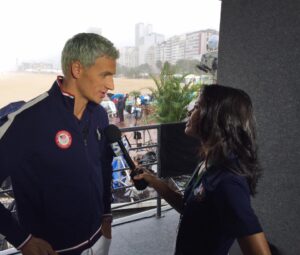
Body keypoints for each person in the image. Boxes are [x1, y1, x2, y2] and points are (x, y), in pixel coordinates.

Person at [0, 33, 119, 255]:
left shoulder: (100, 116)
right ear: (77, 69)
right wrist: (22, 240)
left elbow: (103, 167)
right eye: (105, 75)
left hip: (99, 239)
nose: (111, 85)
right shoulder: (26, 121)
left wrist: (106, 214)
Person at [134, 84, 272, 255]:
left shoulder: (228, 182)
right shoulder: (208, 161)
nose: (189, 112)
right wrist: (153, 181)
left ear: (216, 117)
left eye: (198, 107)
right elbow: (187, 207)